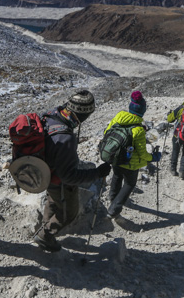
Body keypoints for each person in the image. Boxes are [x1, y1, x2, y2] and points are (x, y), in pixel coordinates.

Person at [33, 89, 111, 252]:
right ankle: (45, 235)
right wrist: (96, 173)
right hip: (58, 180)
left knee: (53, 201)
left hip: (45, 172)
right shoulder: (66, 138)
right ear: (85, 114)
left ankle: (45, 230)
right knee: (69, 212)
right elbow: (69, 177)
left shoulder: (53, 114)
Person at [104, 91, 161, 220]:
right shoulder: (138, 130)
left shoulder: (118, 117)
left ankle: (112, 197)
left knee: (117, 176)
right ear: (142, 110)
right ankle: (114, 209)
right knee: (129, 183)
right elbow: (142, 153)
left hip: (115, 157)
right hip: (131, 163)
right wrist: (153, 157)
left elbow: (107, 132)